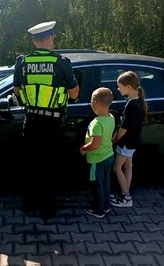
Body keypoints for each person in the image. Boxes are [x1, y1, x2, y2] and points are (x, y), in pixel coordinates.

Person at [13, 21, 79, 219]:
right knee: (49, 165)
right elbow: (74, 95)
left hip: (31, 120)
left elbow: (16, 90)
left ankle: (27, 204)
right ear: (51, 37)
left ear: (34, 41)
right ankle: (47, 209)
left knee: (30, 164)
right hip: (53, 123)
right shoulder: (62, 62)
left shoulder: (22, 62)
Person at [110, 71, 148, 207]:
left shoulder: (132, 105)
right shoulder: (135, 101)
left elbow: (124, 128)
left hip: (126, 143)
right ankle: (125, 194)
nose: (118, 89)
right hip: (132, 142)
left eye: (119, 86)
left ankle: (126, 197)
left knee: (116, 168)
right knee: (128, 166)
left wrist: (115, 138)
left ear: (128, 87)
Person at [80, 87, 115, 218]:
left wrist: (84, 148)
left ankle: (98, 210)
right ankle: (106, 206)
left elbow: (95, 144)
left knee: (97, 186)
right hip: (109, 156)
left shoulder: (96, 123)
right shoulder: (111, 117)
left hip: (97, 160)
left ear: (95, 103)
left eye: (90, 101)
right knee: (106, 183)